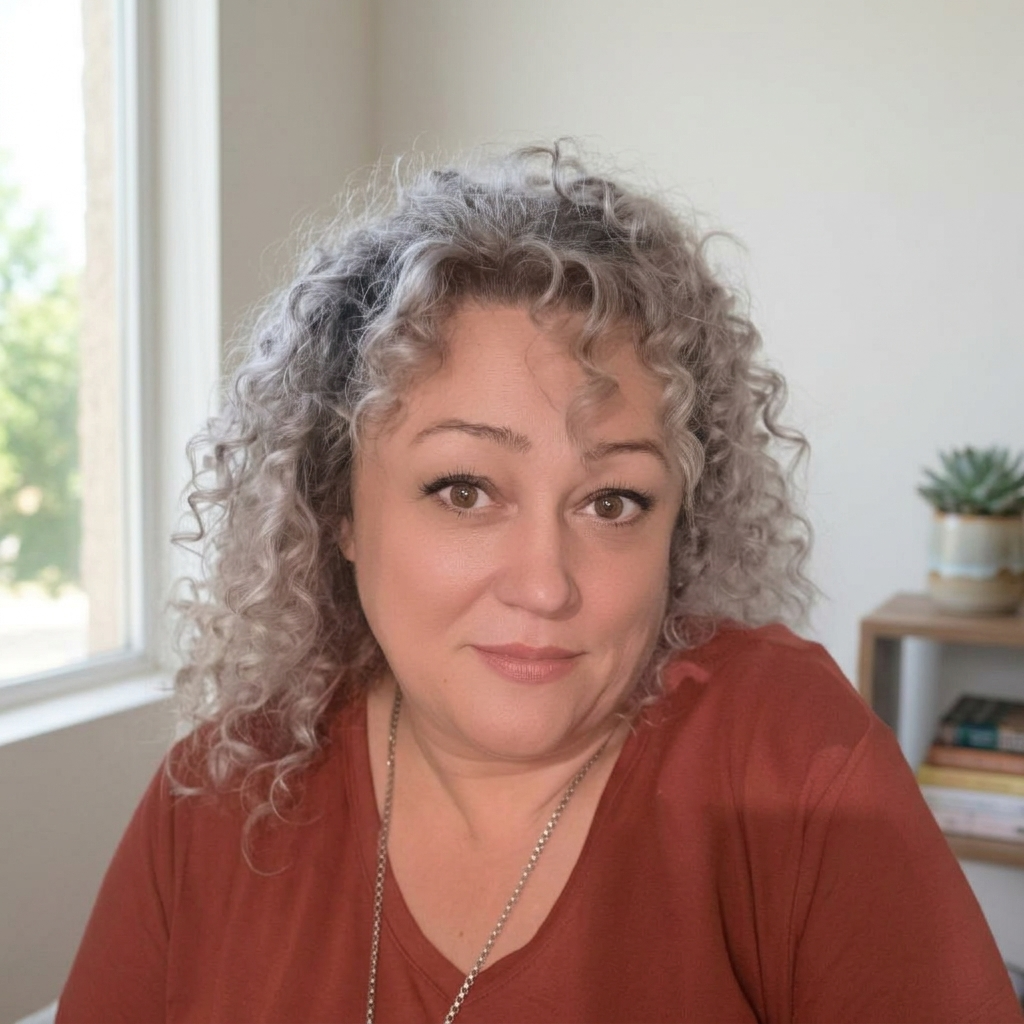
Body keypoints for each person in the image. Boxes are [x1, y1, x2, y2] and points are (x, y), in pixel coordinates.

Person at [57, 144, 1021, 1024]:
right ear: (337, 508)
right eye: (464, 490)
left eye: (612, 501)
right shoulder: (218, 798)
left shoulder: (789, 758)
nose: (545, 585)